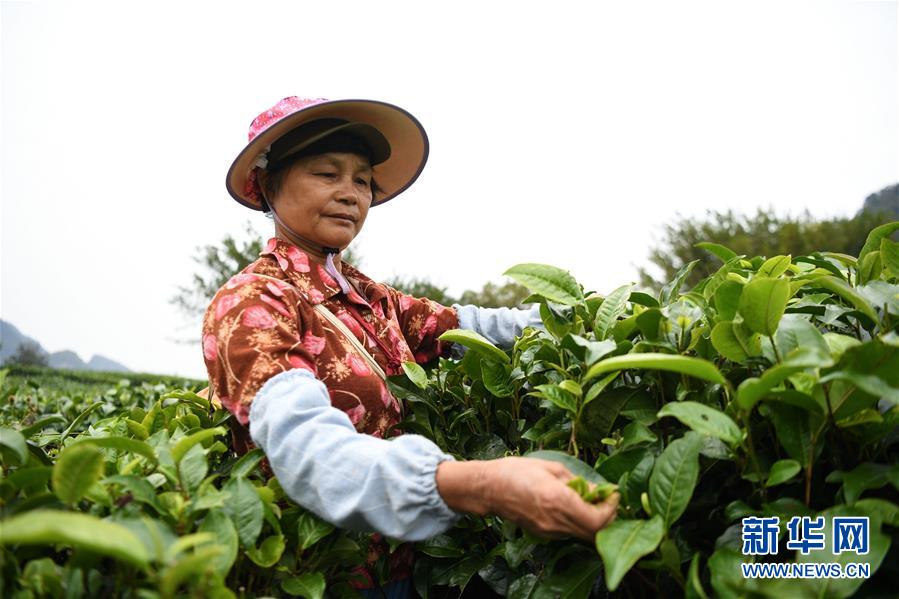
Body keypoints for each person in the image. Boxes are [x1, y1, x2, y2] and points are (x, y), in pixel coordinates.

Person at [203, 96, 618, 596]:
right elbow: (308, 451)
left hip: (405, 568)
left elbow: (476, 327)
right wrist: (482, 485)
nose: (350, 194)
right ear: (269, 185)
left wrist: (599, 318)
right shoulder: (253, 303)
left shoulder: (370, 298)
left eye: (362, 181)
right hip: (326, 580)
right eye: (326, 174)